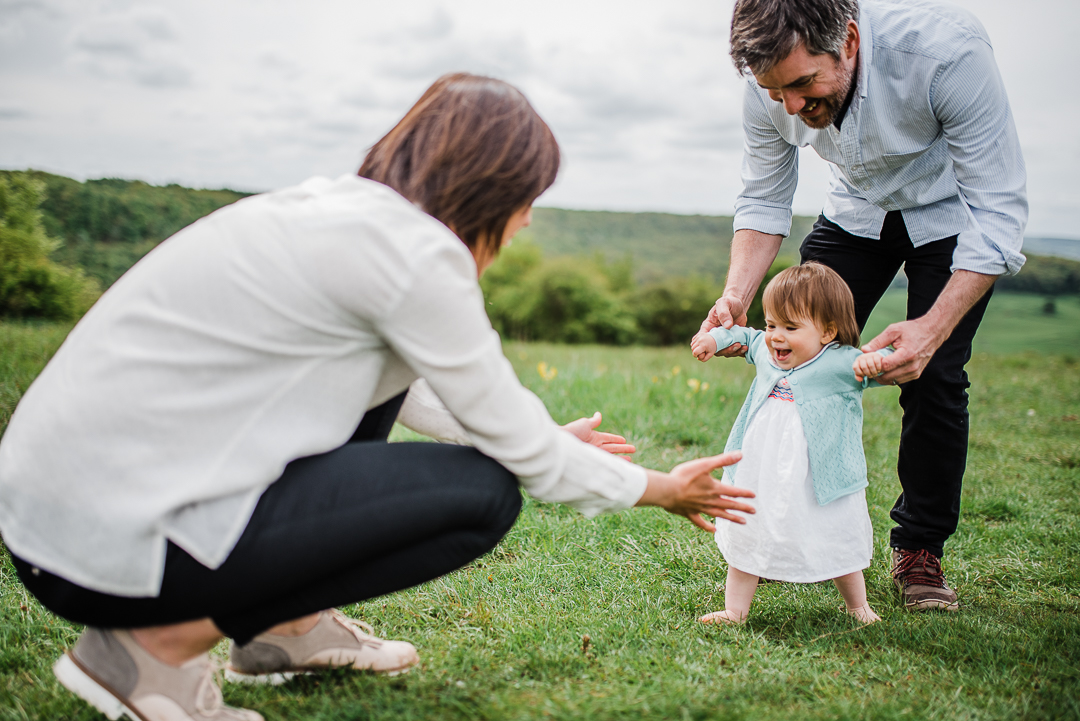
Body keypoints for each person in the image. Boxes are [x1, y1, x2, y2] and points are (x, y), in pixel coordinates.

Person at [0, 73, 756, 721]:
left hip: (54, 515)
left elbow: (413, 383)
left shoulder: (347, 213)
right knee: (482, 493)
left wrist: (536, 438)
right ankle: (144, 654)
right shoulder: (415, 253)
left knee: (452, 437)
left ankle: (286, 629)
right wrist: (660, 487)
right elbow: (520, 455)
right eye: (529, 197)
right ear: (494, 184)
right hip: (100, 545)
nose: (527, 219)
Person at [702, 0, 1028, 611]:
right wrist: (735, 299)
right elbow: (765, 196)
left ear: (849, 40)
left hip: (950, 216)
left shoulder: (946, 54)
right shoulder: (766, 87)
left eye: (803, 84)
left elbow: (999, 213)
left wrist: (931, 328)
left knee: (933, 378)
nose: (793, 107)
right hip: (854, 215)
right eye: (777, 93)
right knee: (793, 365)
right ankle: (784, 533)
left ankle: (919, 550)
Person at [690, 263, 891, 624]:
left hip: (820, 474)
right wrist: (714, 339)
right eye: (772, 324)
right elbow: (746, 337)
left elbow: (883, 368)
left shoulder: (842, 363)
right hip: (761, 467)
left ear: (828, 331)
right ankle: (735, 610)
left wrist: (878, 362)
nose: (775, 336)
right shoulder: (766, 352)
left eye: (790, 327)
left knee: (834, 532)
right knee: (749, 528)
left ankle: (858, 606)